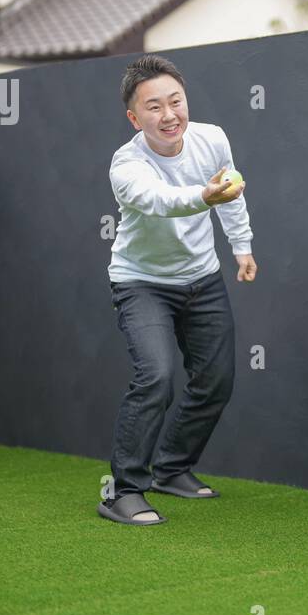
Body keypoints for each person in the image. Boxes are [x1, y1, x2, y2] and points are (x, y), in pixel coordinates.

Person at [98, 54, 257, 526]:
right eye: (154, 107)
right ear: (134, 118)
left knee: (216, 380)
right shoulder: (126, 165)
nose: (169, 115)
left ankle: (171, 469)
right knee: (156, 377)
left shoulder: (212, 139)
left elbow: (231, 192)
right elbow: (162, 202)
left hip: (202, 278)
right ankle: (123, 492)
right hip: (141, 282)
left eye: (176, 102)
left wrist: (242, 246)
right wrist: (205, 195)